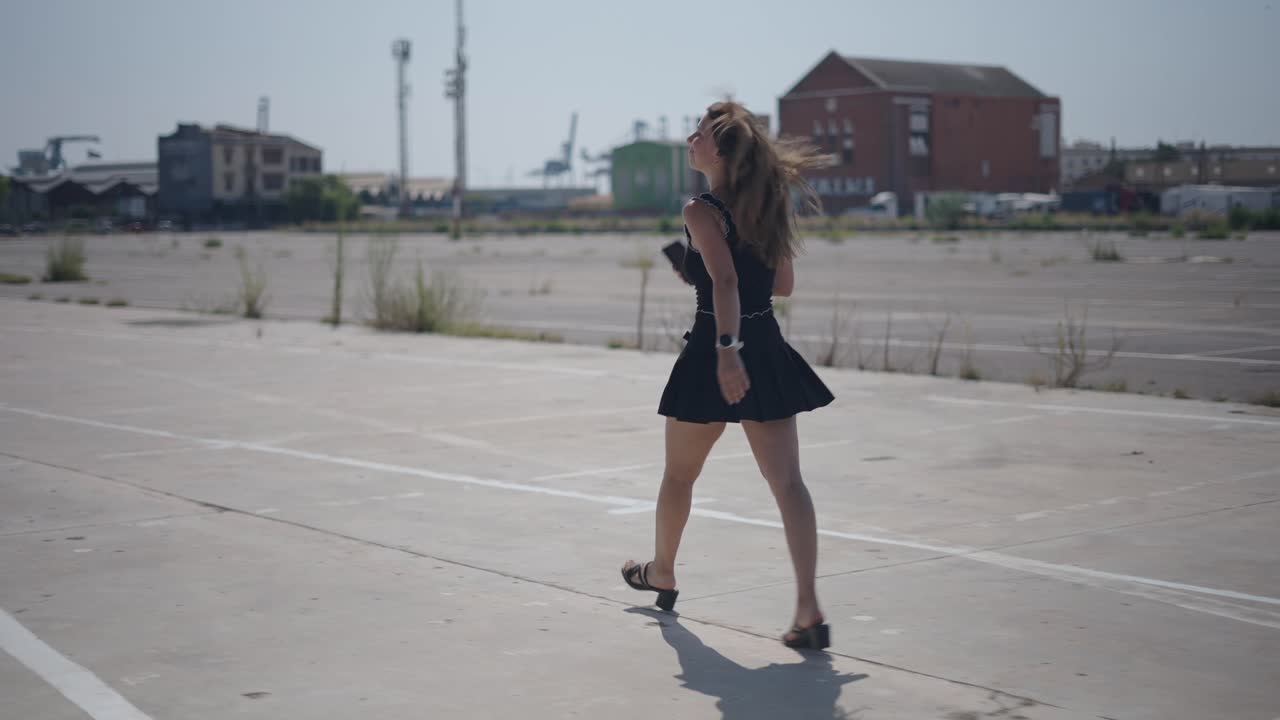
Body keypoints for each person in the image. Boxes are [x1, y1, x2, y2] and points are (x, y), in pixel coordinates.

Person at [621, 101, 836, 650]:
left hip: (718, 352)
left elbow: (727, 285)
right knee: (789, 484)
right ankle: (808, 608)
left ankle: (662, 571)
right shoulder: (769, 203)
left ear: (719, 153)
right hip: (764, 348)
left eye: (698, 134)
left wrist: (725, 352)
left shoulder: (701, 210)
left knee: (679, 476)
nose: (690, 139)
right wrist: (699, 273)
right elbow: (779, 285)